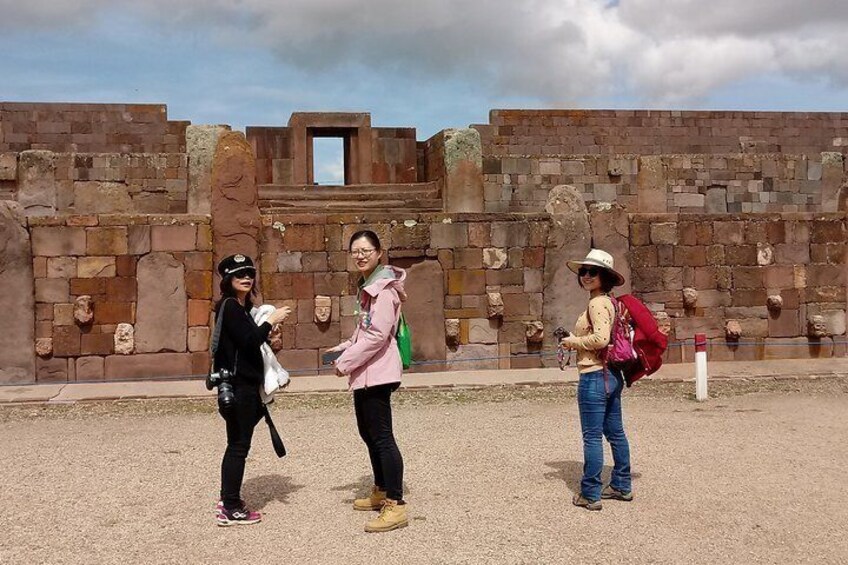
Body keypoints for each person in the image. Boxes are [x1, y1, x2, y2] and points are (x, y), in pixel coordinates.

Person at [325, 230, 409, 533]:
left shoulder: (383, 289)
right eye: (355, 251)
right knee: (369, 433)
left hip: (378, 372)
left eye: (365, 250)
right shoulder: (369, 286)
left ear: (378, 252)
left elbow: (377, 336)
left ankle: (396, 504)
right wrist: (346, 346)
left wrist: (346, 363)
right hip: (367, 371)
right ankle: (381, 489)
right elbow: (366, 330)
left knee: (382, 436)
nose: (360, 255)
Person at [212, 254, 290, 526]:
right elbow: (248, 342)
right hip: (238, 388)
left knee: (237, 444)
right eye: (238, 275)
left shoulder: (242, 309)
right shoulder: (231, 306)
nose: (246, 278)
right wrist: (270, 321)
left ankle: (228, 499)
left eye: (249, 273)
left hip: (246, 387)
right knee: (238, 447)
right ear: (228, 280)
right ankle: (230, 506)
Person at [559, 249, 633, 511]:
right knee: (615, 433)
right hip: (611, 375)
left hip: (594, 375)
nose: (586, 276)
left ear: (604, 276)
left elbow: (601, 339)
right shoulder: (611, 302)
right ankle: (622, 484)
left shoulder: (596, 303)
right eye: (583, 271)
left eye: (593, 271)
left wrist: (572, 342)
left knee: (592, 436)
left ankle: (591, 492)